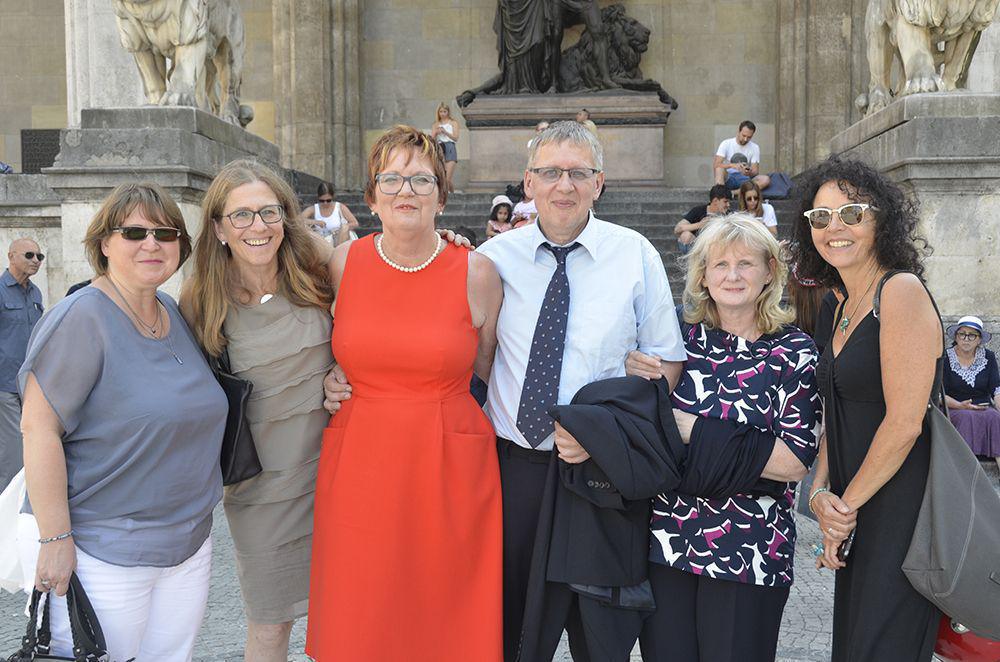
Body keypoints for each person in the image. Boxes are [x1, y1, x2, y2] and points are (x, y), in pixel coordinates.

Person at [475, 120, 687, 661]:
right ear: (528, 183)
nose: (563, 185)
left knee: (601, 639)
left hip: (600, 475)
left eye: (577, 173)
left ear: (599, 183)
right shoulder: (492, 260)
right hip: (516, 470)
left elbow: (667, 366)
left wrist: (606, 433)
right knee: (513, 633)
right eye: (549, 172)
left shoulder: (635, 254)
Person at [307, 125, 504, 661]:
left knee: (445, 614)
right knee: (364, 613)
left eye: (421, 180)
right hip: (361, 459)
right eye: (391, 179)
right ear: (371, 196)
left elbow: (489, 366)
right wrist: (328, 377)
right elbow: (320, 344)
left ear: (441, 196)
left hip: (448, 460)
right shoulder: (342, 263)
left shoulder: (478, 271)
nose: (406, 191)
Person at [18, 183, 227, 660]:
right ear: (104, 243)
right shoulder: (82, 318)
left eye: (166, 233)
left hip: (188, 549)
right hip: (104, 555)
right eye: (134, 232)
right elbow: (39, 429)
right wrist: (54, 539)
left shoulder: (172, 313)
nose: (151, 244)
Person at [628, 214, 821, 662]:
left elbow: (793, 461)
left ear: (769, 271)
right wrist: (748, 449)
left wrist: (694, 429)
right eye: (720, 265)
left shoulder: (795, 352)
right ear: (702, 275)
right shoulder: (675, 338)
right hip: (666, 539)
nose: (732, 276)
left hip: (752, 544)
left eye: (745, 264)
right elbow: (648, 428)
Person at [181, 160, 335, 661]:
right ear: (221, 227)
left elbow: (390, 293)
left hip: (340, 470)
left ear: (285, 217)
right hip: (261, 487)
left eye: (267, 212)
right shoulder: (202, 299)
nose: (257, 227)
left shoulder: (319, 265)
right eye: (241, 216)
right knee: (271, 625)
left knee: (353, 614)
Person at [791, 156, 942, 662]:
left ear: (881, 221)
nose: (835, 228)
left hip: (900, 509)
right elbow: (838, 411)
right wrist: (819, 494)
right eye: (821, 217)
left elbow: (903, 424)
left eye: (851, 213)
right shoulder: (836, 304)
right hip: (858, 507)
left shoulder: (900, 292)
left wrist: (844, 509)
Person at [0, 238, 44, 492]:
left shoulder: (35, 293)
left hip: (29, 384)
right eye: (29, 255)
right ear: (11, 256)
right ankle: (7, 514)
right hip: (4, 385)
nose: (36, 261)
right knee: (13, 453)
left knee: (33, 445)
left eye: (40, 256)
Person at [943, 316, 1000, 470]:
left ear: (979, 339)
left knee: (995, 416)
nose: (966, 339)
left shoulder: (988, 357)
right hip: (954, 407)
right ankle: (964, 472)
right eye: (962, 334)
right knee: (966, 417)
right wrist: (960, 405)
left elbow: (996, 389)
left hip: (982, 407)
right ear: (956, 336)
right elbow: (938, 393)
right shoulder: (945, 357)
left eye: (972, 335)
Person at [714, 120, 770, 190]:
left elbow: (755, 171)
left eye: (749, 137)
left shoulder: (755, 147)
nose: (745, 139)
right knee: (719, 169)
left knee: (765, 179)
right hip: (728, 177)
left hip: (745, 179)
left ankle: (734, 193)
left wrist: (748, 171)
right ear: (739, 132)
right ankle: (720, 195)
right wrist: (733, 165)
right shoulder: (726, 143)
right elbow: (716, 165)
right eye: (743, 135)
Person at [674, 184, 730, 254]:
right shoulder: (699, 210)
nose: (728, 205)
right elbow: (677, 229)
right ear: (715, 201)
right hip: (698, 249)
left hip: (719, 247)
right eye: (725, 201)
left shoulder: (729, 215)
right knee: (685, 235)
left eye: (728, 202)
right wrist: (700, 225)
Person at [431, 102, 460, 192]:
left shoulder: (453, 123)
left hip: (450, 147)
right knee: (442, 177)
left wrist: (445, 132)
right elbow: (432, 139)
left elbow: (455, 138)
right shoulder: (436, 124)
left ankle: (452, 194)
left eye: (445, 111)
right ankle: (449, 194)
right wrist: (436, 133)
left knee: (447, 179)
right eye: (441, 111)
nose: (443, 114)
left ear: (448, 112)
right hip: (440, 147)